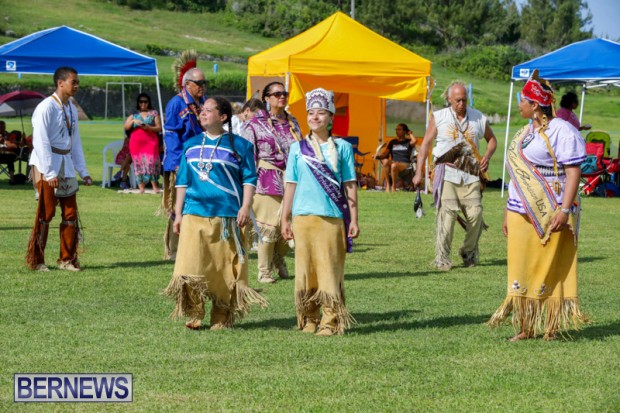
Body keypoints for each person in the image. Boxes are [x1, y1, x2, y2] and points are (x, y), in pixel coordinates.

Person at [488, 70, 588, 341]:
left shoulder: (561, 131)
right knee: (521, 267)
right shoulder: (524, 133)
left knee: (549, 267)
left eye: (522, 100)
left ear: (534, 105)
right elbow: (516, 175)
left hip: (551, 209)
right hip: (520, 209)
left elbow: (573, 174)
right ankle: (526, 326)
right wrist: (507, 213)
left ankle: (551, 326)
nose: (519, 105)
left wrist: (564, 210)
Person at [163, 96, 266, 330]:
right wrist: (178, 214)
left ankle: (221, 315)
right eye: (202, 109)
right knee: (190, 266)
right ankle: (195, 311)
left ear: (223, 117)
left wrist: (245, 206)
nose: (203, 113)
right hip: (194, 212)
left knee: (222, 269)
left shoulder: (240, 146)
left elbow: (249, 179)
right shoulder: (191, 144)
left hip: (226, 215)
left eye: (209, 110)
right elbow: (182, 181)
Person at [281, 88, 359, 336]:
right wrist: (284, 217)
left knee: (328, 269)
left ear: (331, 117)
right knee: (306, 271)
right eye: (311, 113)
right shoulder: (297, 148)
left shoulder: (343, 147)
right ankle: (309, 317)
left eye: (321, 112)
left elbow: (350, 184)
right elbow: (290, 184)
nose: (315, 117)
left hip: (332, 217)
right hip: (303, 217)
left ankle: (330, 319)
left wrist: (354, 219)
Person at [412, 81, 497, 271]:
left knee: (476, 214)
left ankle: (468, 251)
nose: (461, 103)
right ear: (449, 99)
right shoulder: (439, 117)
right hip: (447, 174)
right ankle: (442, 258)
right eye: (458, 100)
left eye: (464, 100)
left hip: (471, 175)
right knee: (447, 215)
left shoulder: (478, 117)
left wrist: (487, 156)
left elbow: (492, 140)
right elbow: (425, 144)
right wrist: (419, 172)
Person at [25, 66, 93, 272]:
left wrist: (83, 171)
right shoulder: (46, 107)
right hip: (47, 164)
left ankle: (67, 259)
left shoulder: (71, 108)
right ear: (60, 83)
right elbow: (41, 141)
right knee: (45, 213)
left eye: (78, 82)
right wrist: (49, 172)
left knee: (70, 213)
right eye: (74, 82)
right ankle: (37, 260)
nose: (77, 86)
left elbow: (75, 141)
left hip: (66, 163)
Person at [241, 82, 302, 284]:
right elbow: (247, 155)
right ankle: (264, 271)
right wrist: (247, 183)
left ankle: (279, 257)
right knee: (269, 226)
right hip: (266, 179)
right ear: (266, 98)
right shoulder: (255, 123)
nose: (282, 96)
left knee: (290, 224)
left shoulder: (293, 122)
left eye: (284, 93)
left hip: (292, 179)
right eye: (276, 94)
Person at [162, 66, 207, 260]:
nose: (203, 86)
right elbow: (171, 135)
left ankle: (195, 245)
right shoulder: (176, 103)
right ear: (187, 84)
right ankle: (174, 250)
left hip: (201, 161)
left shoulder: (204, 102)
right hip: (181, 163)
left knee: (199, 203)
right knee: (178, 206)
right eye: (199, 83)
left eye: (204, 83)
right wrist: (177, 164)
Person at [124, 93, 162, 193]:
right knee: (138, 164)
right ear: (138, 103)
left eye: (145, 101)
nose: (143, 104)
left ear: (148, 102)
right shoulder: (134, 115)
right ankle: (141, 188)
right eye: (141, 101)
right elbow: (126, 127)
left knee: (151, 163)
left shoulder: (154, 113)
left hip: (151, 142)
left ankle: (155, 186)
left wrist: (149, 127)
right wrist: (133, 121)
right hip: (136, 143)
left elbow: (159, 128)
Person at [374, 123, 417, 192]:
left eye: (399, 129)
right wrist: (377, 156)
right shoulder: (392, 142)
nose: (397, 131)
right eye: (396, 129)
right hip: (394, 162)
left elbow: (414, 141)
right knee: (385, 161)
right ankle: (388, 185)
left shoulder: (408, 141)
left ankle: (393, 187)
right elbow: (385, 154)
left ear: (404, 131)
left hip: (405, 163)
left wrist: (410, 133)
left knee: (394, 165)